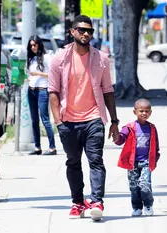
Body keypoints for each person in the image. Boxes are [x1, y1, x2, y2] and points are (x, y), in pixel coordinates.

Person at [48, 15, 120, 221]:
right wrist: (58, 121)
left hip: (93, 118)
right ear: (72, 32)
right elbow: (52, 91)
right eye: (81, 30)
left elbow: (108, 91)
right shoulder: (59, 59)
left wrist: (114, 121)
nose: (86, 33)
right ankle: (78, 202)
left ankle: (97, 201)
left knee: (96, 160)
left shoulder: (101, 59)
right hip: (68, 120)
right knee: (73, 162)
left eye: (89, 31)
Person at [114, 99, 160, 217]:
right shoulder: (130, 127)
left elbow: (156, 144)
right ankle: (137, 207)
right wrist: (117, 137)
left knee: (145, 184)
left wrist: (155, 158)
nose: (144, 113)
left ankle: (148, 205)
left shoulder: (152, 128)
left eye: (147, 111)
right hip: (132, 162)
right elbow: (121, 139)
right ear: (135, 112)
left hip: (146, 162)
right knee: (134, 186)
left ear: (150, 112)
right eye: (141, 111)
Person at [26, 35, 57, 155]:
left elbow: (52, 75)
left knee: (45, 119)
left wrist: (38, 73)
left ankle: (52, 147)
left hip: (42, 90)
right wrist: (28, 78)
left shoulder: (47, 57)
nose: (33, 47)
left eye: (35, 45)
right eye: (31, 45)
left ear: (39, 44)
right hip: (31, 90)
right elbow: (31, 75)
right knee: (34, 120)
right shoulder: (31, 59)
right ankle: (37, 147)